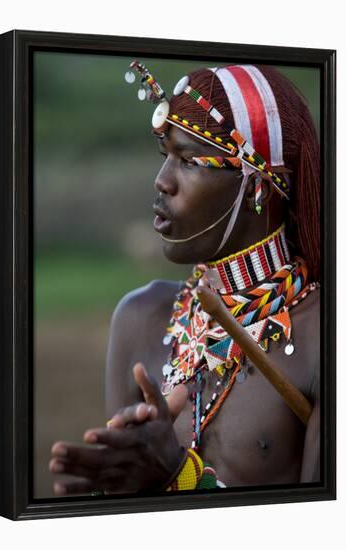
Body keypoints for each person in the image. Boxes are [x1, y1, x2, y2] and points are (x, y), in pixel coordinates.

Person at [49, 61, 320, 495]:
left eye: (190, 161)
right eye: (166, 157)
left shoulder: (323, 337)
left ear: (258, 188)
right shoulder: (140, 317)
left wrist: (181, 477)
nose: (162, 182)